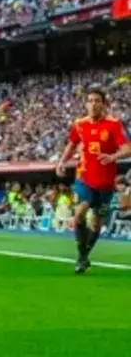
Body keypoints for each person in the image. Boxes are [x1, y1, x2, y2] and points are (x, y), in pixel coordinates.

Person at [55, 86, 129, 273]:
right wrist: (62, 162)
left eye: (97, 101)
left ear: (104, 104)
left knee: (96, 223)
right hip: (84, 177)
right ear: (86, 104)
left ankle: (83, 256)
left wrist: (112, 157)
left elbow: (127, 148)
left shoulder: (114, 124)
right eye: (90, 101)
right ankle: (82, 257)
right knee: (79, 213)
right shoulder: (79, 124)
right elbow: (72, 144)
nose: (93, 104)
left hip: (105, 182)